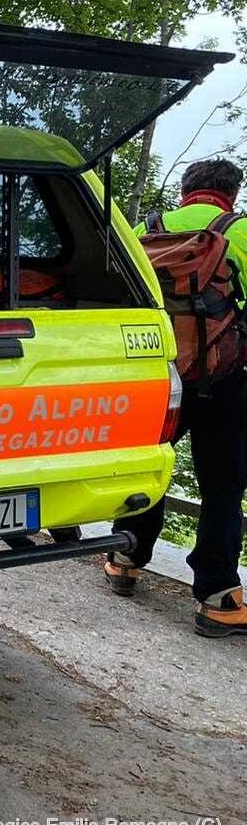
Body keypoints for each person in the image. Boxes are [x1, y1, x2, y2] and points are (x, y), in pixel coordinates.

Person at [107, 157, 247, 637]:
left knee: (152, 462)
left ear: (187, 191)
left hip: (161, 372)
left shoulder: (147, 229)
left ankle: (126, 556)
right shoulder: (242, 231)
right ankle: (219, 596)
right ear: (231, 193)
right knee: (223, 485)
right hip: (227, 380)